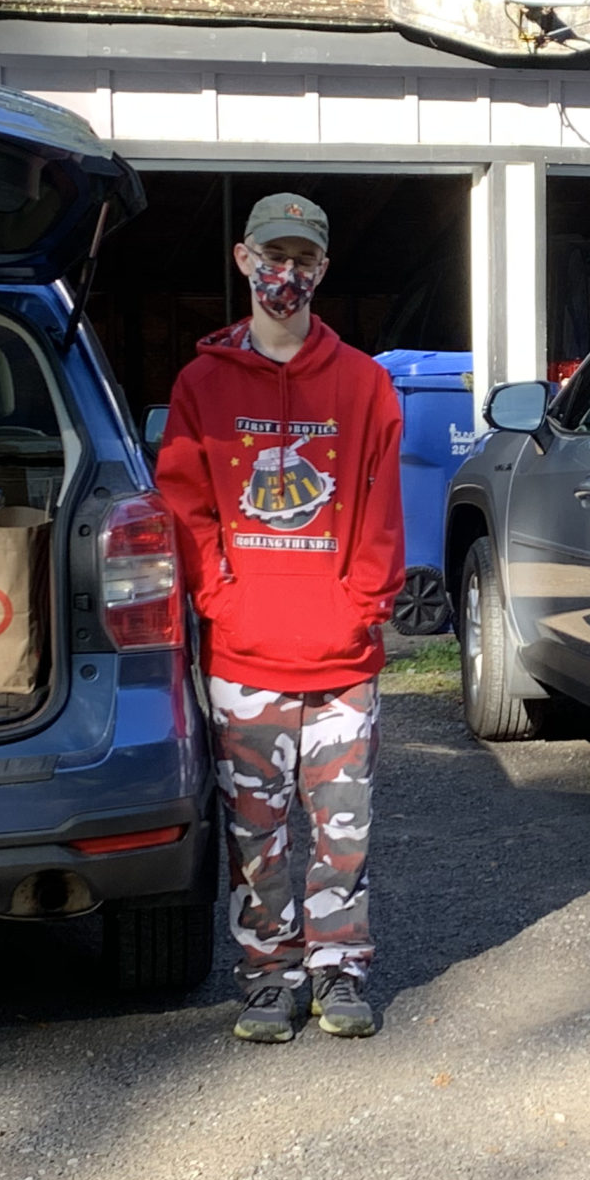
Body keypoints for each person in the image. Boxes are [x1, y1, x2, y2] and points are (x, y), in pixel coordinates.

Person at [158, 192, 404, 1043]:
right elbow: (187, 510)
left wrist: (359, 605)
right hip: (246, 659)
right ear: (242, 259)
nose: (286, 274)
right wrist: (220, 598)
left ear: (323, 270)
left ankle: (340, 971)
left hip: (342, 664)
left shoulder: (365, 385)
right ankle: (269, 974)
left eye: (304, 260)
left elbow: (379, 509)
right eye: (273, 256)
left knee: (344, 831)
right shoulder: (201, 385)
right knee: (255, 836)